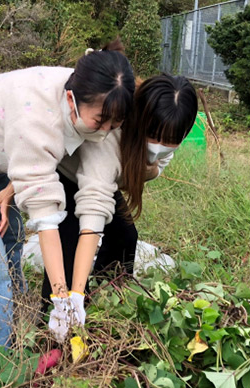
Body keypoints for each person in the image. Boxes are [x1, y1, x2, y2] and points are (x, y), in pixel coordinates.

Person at [0, 38, 135, 373]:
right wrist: (62, 299)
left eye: (114, 125)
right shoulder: (37, 113)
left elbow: (91, 204)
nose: (104, 133)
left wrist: (74, 296)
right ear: (72, 101)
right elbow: (46, 219)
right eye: (99, 121)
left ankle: (15, 349)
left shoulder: (97, 95)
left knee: (11, 253)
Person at [39, 73, 199, 308]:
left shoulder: (166, 129)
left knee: (125, 237)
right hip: (68, 172)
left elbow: (148, 170)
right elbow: (93, 216)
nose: (159, 145)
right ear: (139, 117)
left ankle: (109, 298)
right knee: (70, 242)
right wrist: (75, 296)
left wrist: (149, 167)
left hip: (104, 180)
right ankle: (54, 314)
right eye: (153, 135)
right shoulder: (111, 132)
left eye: (170, 139)